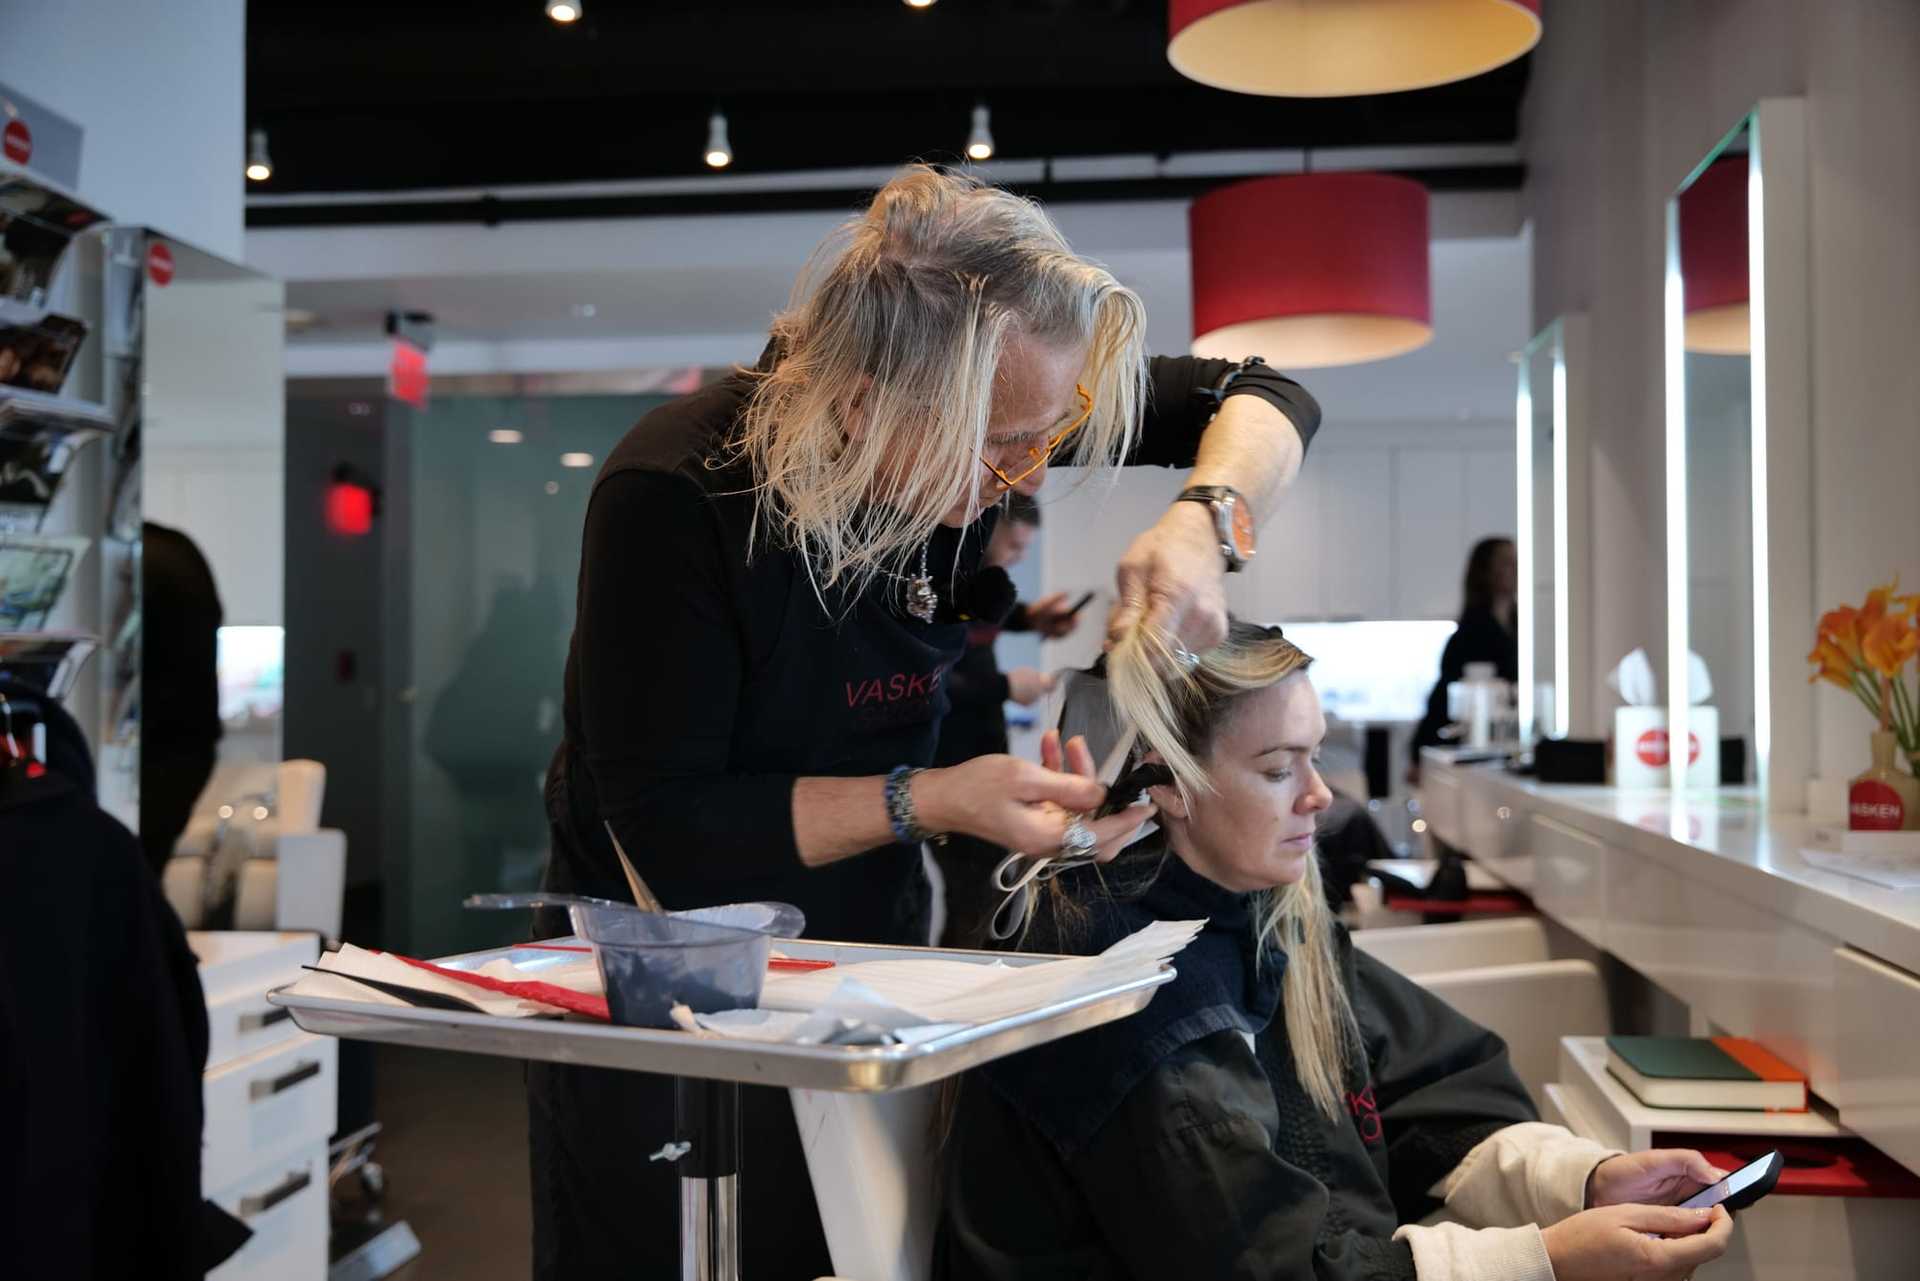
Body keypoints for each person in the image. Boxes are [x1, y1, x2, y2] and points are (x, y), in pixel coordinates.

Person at [532, 165, 1323, 1280]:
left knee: (867, 1245)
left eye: (1042, 441)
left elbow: (1265, 391)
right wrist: (938, 797)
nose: (1017, 480)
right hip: (665, 989)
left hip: (869, 957)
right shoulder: (678, 492)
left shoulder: (1008, 407)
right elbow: (674, 831)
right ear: (864, 396)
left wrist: (1207, 522)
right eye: (994, 447)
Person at [938, 620, 1737, 1281]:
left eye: (1315, 756)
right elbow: (1269, 1266)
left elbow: (1436, 1081)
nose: (1319, 795)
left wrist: (1585, 1180)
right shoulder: (1131, 985)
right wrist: (1545, 1260)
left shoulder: (1264, 916)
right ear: (1168, 784)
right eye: (1279, 767)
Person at [931, 492, 1081, 944]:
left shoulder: (981, 589)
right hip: (947, 762)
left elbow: (985, 623)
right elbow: (931, 684)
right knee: (974, 889)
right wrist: (1007, 688)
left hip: (982, 750)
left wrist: (1032, 620)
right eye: (1014, 547)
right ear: (985, 526)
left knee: (989, 881)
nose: (1017, 560)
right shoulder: (937, 585)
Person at [140, 521, 224, 877]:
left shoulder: (142, 554)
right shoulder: (175, 549)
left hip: (156, 748)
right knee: (141, 878)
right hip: (186, 747)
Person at [1408, 536, 1519, 785]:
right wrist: (1417, 755)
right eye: (1506, 562)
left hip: (1509, 746)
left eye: (1516, 561)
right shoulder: (1467, 635)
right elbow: (1441, 698)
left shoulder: (1524, 628)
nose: (1515, 569)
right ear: (1485, 572)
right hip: (1474, 750)